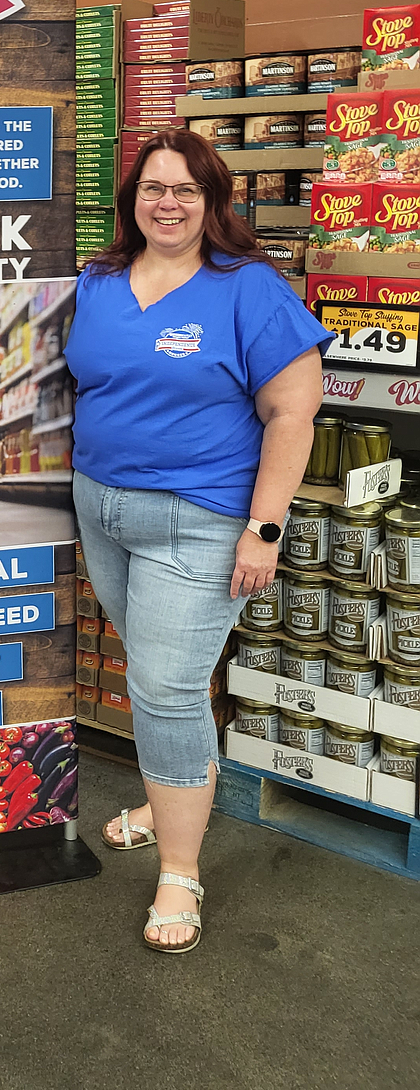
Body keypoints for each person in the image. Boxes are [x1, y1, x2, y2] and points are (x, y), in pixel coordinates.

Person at [64, 128, 331, 954]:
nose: (167, 203)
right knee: (152, 671)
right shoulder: (101, 280)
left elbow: (293, 412)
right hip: (101, 508)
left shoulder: (248, 289)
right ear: (131, 200)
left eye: (185, 189)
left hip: (202, 520)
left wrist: (265, 529)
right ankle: (164, 793)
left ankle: (180, 869)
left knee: (170, 688)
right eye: (152, 189)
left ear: (215, 201)